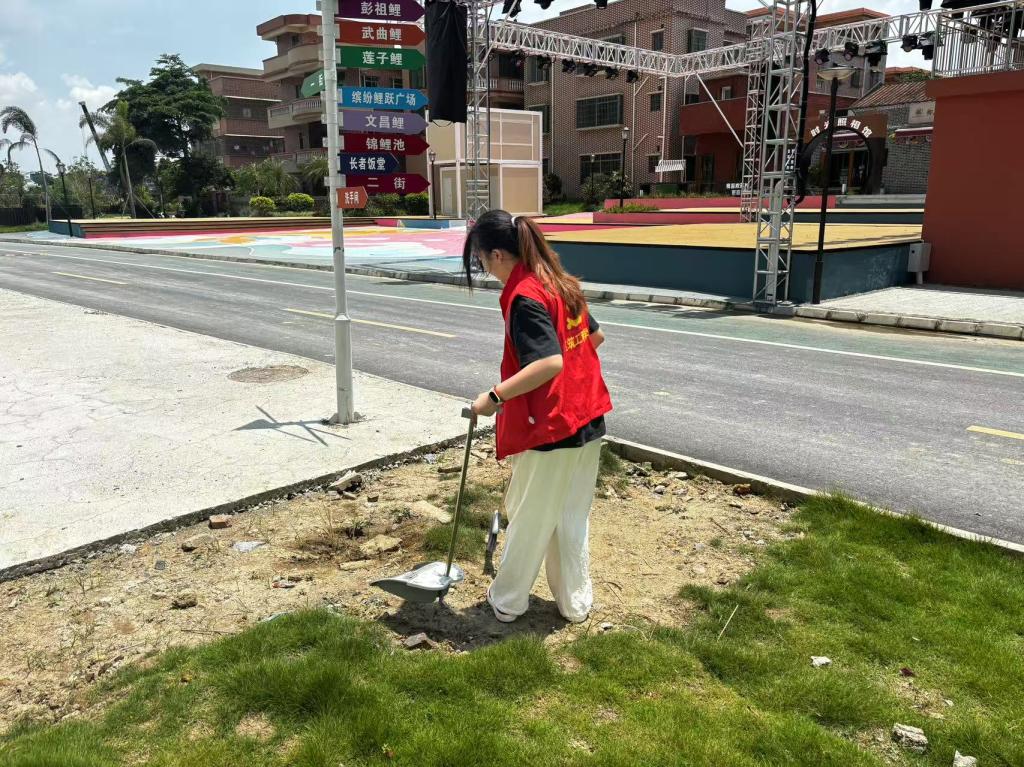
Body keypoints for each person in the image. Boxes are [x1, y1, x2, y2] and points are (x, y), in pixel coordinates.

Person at [463, 209, 613, 624]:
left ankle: (508, 601)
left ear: (497, 255)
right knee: (570, 516)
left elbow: (548, 362)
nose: (484, 269)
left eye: (481, 261)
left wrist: (494, 396)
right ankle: (574, 601)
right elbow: (595, 337)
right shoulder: (558, 281)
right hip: (588, 418)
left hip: (552, 426)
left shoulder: (526, 295)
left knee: (530, 515)